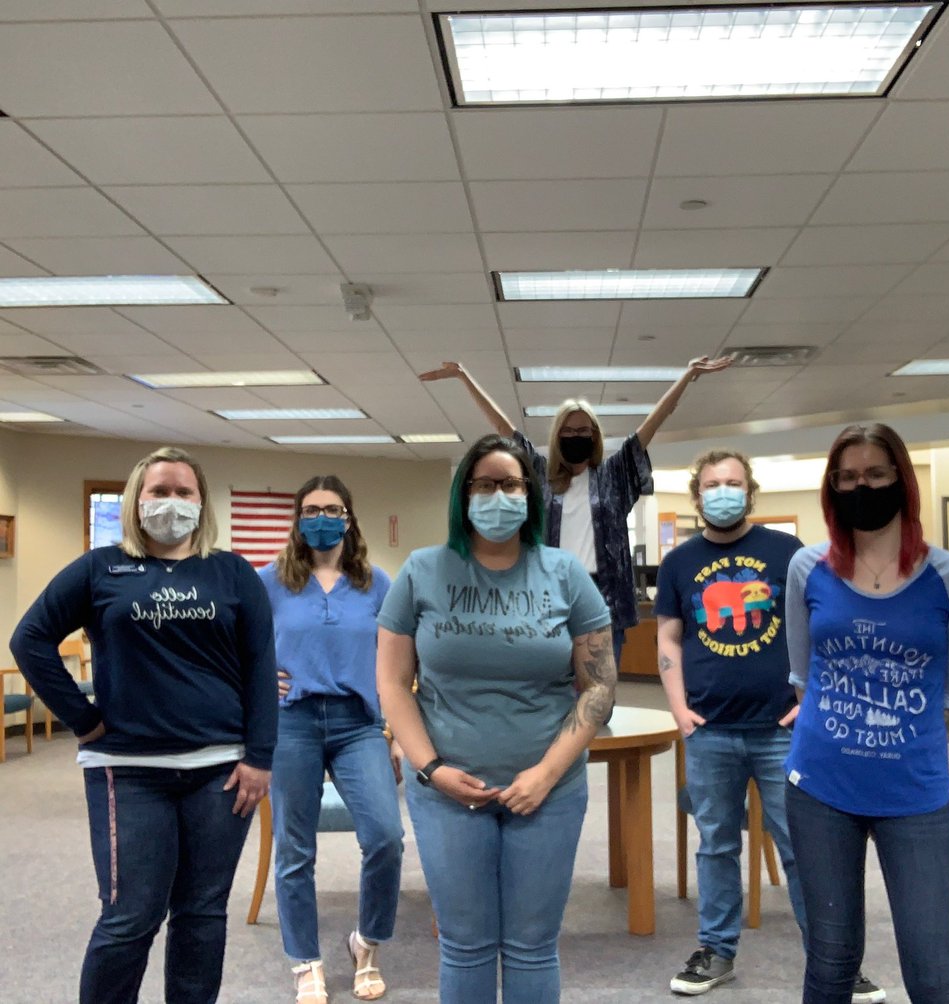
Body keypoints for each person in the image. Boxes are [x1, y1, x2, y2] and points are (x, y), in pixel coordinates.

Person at [9, 446, 277, 1004]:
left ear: (202, 504)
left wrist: (260, 757)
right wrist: (81, 720)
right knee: (130, 915)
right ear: (136, 500)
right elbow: (29, 640)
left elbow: (259, 667)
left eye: (184, 493)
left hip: (220, 771)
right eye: (159, 491)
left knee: (202, 913)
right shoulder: (99, 567)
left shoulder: (231, 573)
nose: (171, 503)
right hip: (127, 772)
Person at [376, 433, 617, 1004]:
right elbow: (391, 681)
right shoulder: (421, 570)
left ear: (530, 496)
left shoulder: (565, 573)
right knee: (465, 943)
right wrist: (431, 769)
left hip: (548, 790)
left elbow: (600, 685)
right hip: (446, 788)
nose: (498, 496)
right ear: (463, 496)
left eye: (510, 484)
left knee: (534, 943)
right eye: (483, 485)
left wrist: (545, 775)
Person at [655, 448, 884, 1003]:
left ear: (749, 490)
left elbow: (825, 628)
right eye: (712, 483)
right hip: (708, 729)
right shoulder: (680, 562)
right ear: (697, 494)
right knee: (715, 845)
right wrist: (679, 708)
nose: (723, 491)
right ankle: (716, 950)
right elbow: (668, 637)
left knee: (803, 845)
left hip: (784, 730)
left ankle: (833, 960)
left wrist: (813, 698)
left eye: (733, 482)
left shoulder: (791, 555)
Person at [784, 423, 949, 1004]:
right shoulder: (807, 569)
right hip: (820, 787)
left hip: (914, 793)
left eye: (874, 474)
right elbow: (804, 682)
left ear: (900, 478)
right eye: (846, 477)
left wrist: (897, 738)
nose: (861, 486)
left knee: (933, 970)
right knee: (832, 959)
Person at [418, 355, 732, 670]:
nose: (575, 436)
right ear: (557, 436)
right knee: (553, 684)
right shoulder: (538, 475)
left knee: (601, 694)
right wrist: (464, 377)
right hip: (550, 592)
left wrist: (687, 376)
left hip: (605, 597)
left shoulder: (614, 476)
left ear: (594, 436)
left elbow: (652, 424)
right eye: (567, 431)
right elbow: (503, 428)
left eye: (583, 430)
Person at [260, 475, 402, 1003]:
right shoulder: (270, 581)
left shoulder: (376, 583)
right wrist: (253, 682)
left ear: (349, 518)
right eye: (312, 509)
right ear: (298, 518)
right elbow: (231, 646)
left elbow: (399, 661)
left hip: (358, 723)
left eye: (333, 509)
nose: (322, 517)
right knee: (294, 848)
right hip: (290, 721)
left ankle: (366, 943)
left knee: (386, 837)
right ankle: (306, 961)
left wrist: (397, 731)